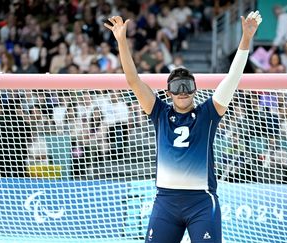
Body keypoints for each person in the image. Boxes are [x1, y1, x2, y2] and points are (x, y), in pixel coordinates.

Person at [104, 10, 262, 242]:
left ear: (195, 90)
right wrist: (121, 41)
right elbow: (133, 80)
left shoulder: (208, 113)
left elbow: (233, 77)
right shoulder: (159, 112)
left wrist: (246, 39)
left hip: (200, 201)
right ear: (168, 92)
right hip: (165, 203)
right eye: (177, 86)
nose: (182, 92)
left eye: (187, 85)